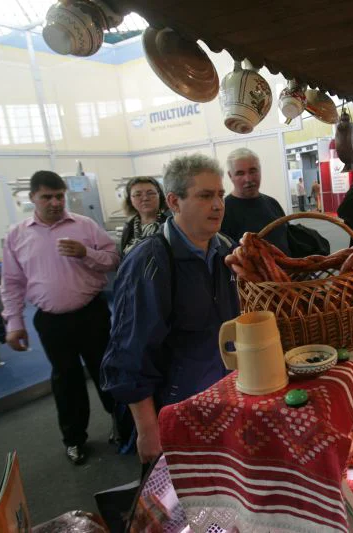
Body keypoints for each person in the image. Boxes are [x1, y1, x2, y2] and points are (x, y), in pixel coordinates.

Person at [101, 154, 239, 466]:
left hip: (221, 397)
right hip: (174, 410)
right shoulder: (149, 262)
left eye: (220, 195)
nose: (218, 205)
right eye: (205, 196)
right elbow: (128, 353)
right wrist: (148, 428)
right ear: (174, 202)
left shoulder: (225, 250)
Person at [1, 170, 119, 465]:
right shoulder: (17, 235)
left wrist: (86, 253)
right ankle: (75, 440)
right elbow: (12, 283)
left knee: (108, 372)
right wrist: (14, 323)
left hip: (92, 314)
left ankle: (123, 426)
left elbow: (113, 260)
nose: (55, 202)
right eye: (47, 197)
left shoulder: (85, 225)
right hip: (51, 321)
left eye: (59, 196)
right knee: (66, 382)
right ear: (31, 198)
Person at [220, 148, 290, 255]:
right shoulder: (223, 211)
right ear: (230, 176)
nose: (248, 179)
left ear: (260, 170)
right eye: (240, 173)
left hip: (286, 271)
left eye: (253, 171)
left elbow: (288, 239)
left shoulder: (272, 203)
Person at [119, 176, 169, 255]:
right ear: (130, 200)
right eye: (138, 195)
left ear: (159, 196)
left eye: (150, 193)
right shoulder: (129, 226)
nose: (145, 198)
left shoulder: (169, 224)